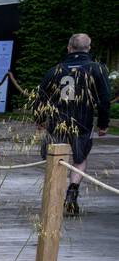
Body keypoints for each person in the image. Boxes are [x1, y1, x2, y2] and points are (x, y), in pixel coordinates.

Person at [36, 33, 111, 216]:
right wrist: (103, 124)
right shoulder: (97, 69)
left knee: (56, 158)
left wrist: (40, 120)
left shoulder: (56, 70)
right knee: (79, 159)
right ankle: (72, 193)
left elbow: (40, 97)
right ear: (89, 48)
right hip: (83, 122)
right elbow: (104, 100)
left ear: (69, 47)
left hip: (57, 122)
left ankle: (55, 197)